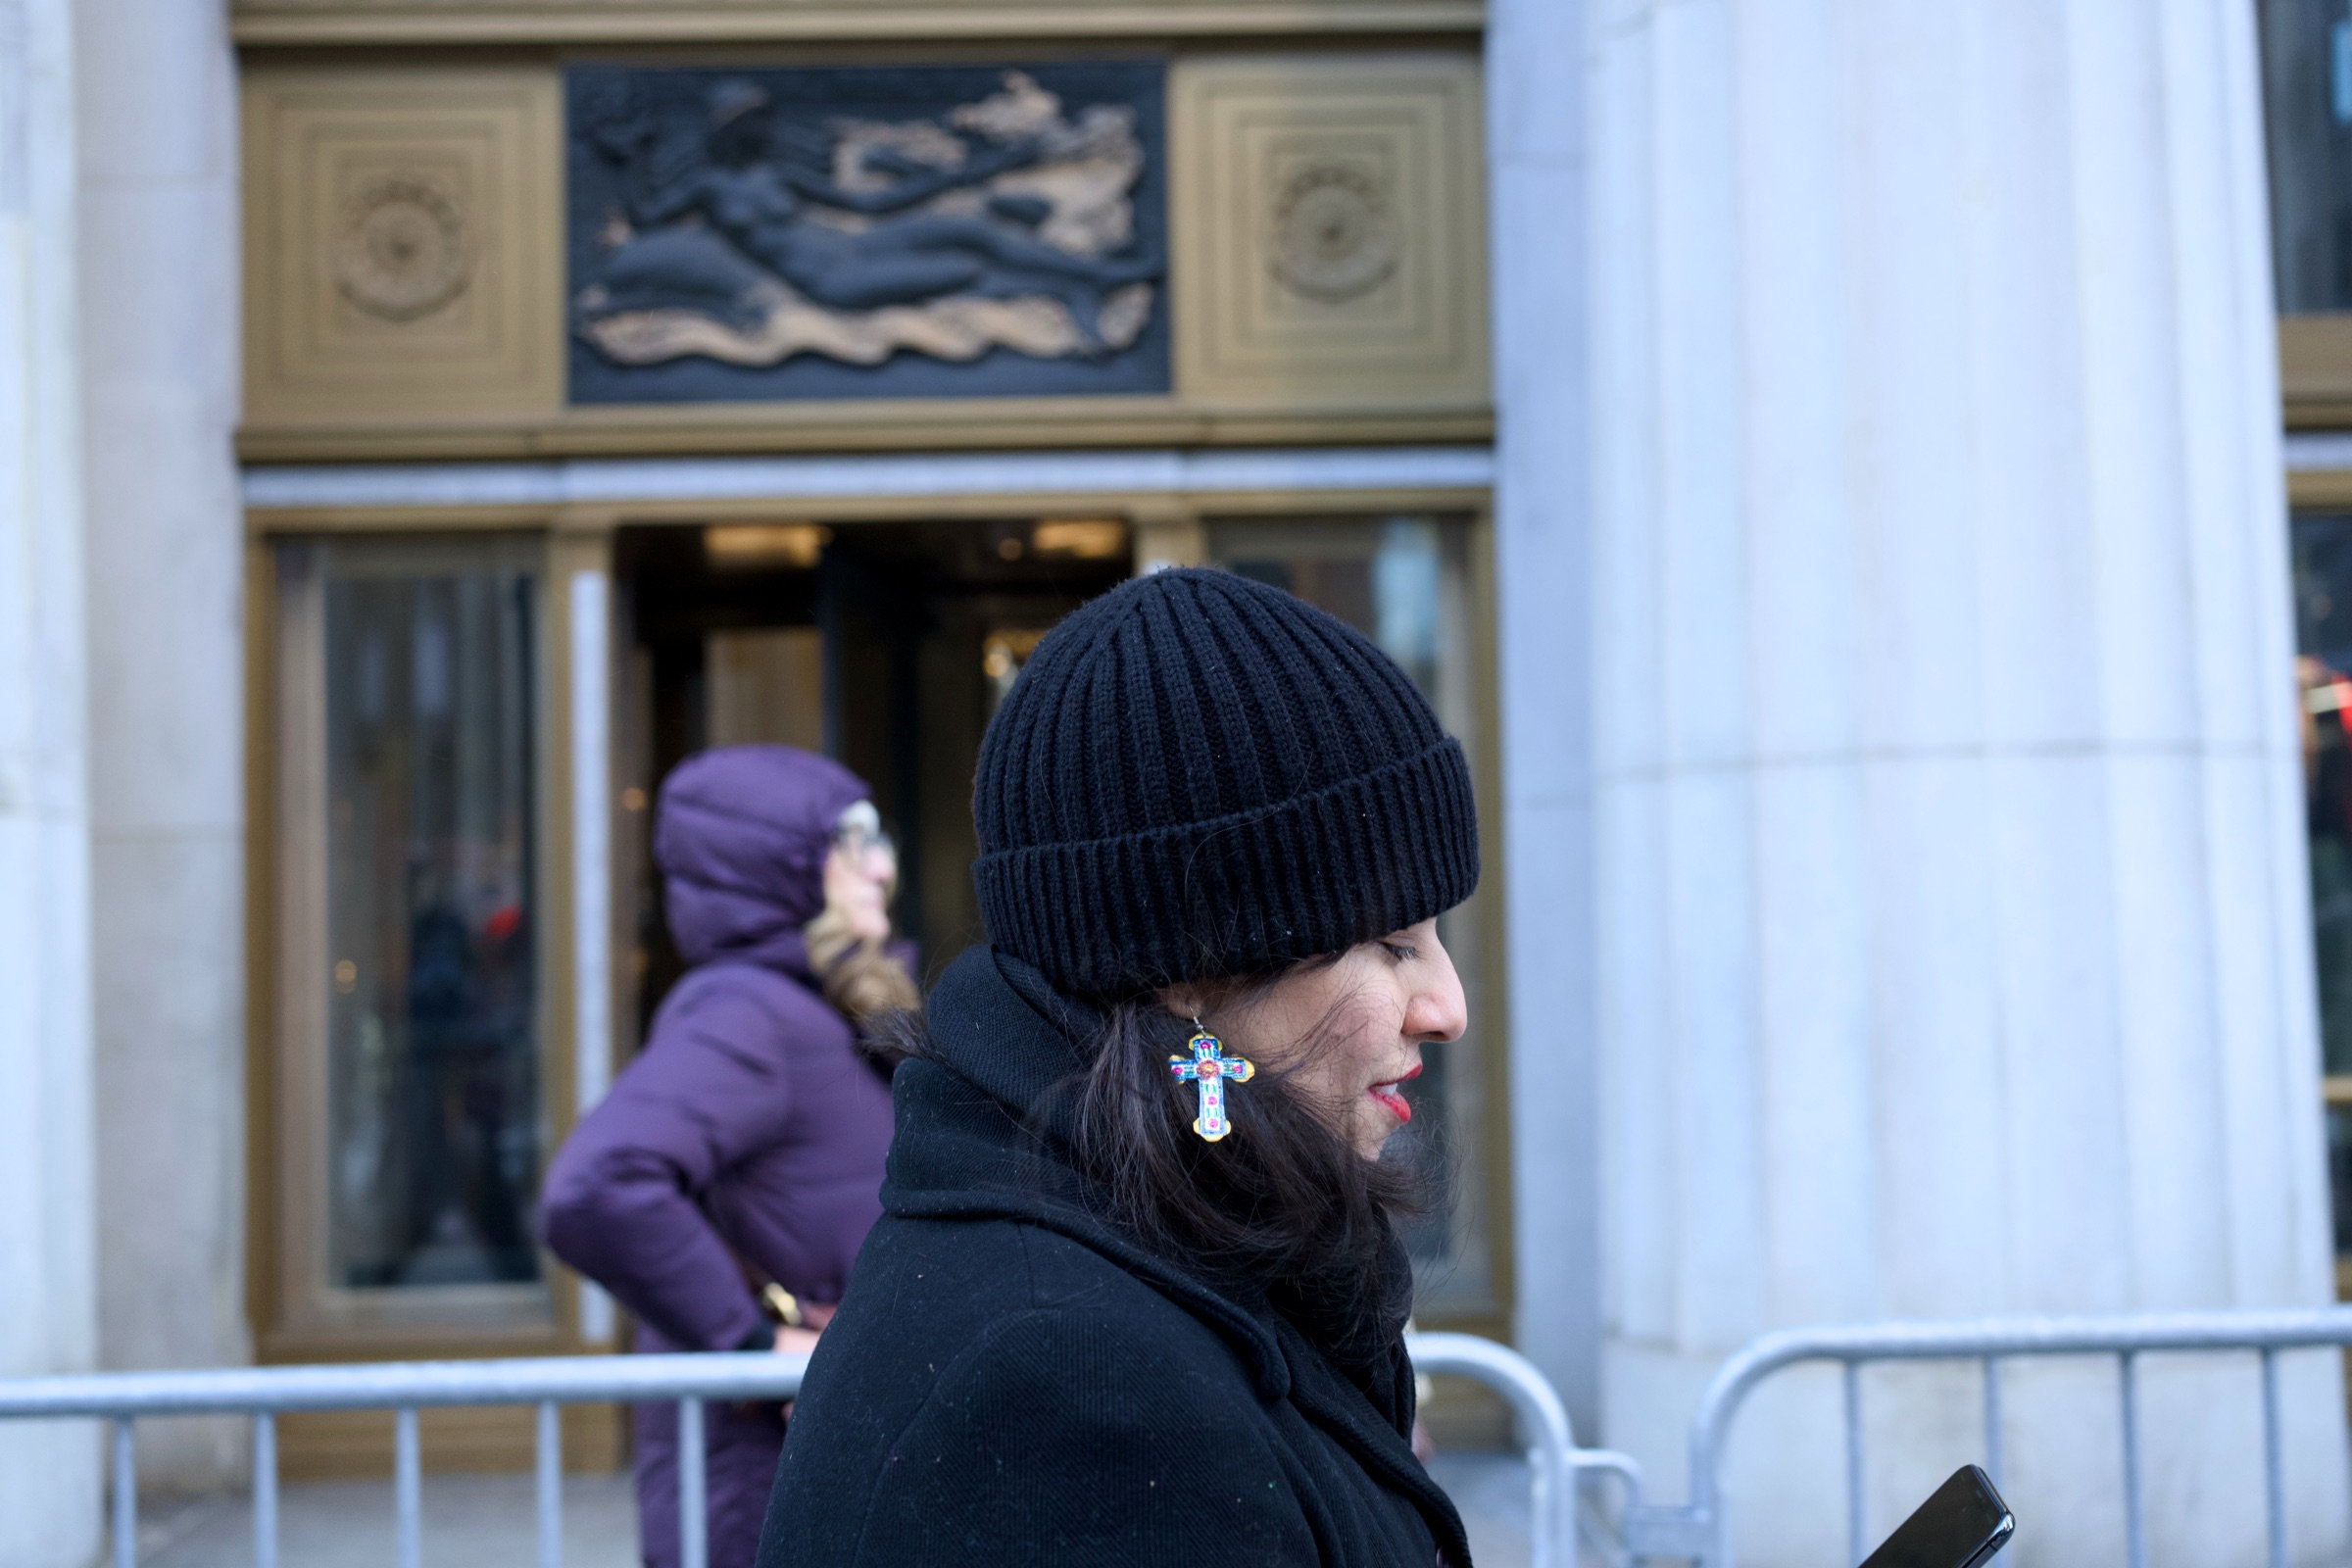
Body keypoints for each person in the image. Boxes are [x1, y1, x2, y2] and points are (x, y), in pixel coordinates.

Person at [757, 569, 1481, 1566]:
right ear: (1192, 969)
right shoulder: (1078, 1383)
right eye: (1392, 944)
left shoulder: (1167, 1253)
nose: (1448, 1007)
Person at [540, 745, 918, 1568]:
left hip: (816, 1465)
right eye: (855, 843)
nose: (882, 869)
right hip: (757, 1487)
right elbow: (597, 1187)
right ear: (784, 868)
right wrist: (752, 1346)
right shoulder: (745, 1013)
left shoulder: (817, 1011)